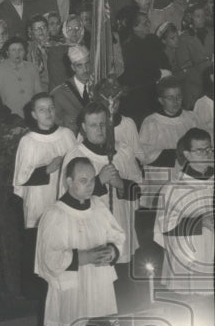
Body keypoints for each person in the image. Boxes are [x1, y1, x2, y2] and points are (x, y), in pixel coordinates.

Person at [35, 158, 125, 326]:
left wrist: (112, 251)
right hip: (71, 294)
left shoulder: (99, 207)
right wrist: (83, 257)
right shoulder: (55, 214)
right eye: (83, 180)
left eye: (92, 180)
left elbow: (117, 235)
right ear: (68, 182)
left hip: (99, 289)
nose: (90, 185)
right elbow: (47, 259)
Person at [59, 104, 143, 290]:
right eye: (93, 125)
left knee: (124, 290)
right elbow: (67, 200)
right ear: (83, 127)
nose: (99, 129)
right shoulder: (75, 156)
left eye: (103, 124)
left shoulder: (123, 150)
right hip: (90, 236)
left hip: (121, 228)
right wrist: (99, 181)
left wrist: (121, 184)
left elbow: (140, 189)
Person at [13, 94, 77, 298]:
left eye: (51, 108)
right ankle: (40, 294)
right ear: (34, 114)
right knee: (40, 247)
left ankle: (66, 290)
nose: (48, 113)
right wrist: (45, 170)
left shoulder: (67, 135)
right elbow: (20, 178)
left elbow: (79, 165)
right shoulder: (28, 141)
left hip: (65, 199)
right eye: (42, 109)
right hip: (39, 201)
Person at [153, 128, 214, 294]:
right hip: (189, 259)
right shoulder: (173, 188)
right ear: (187, 154)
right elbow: (166, 227)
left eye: (209, 149)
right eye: (200, 150)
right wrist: (200, 222)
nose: (207, 154)